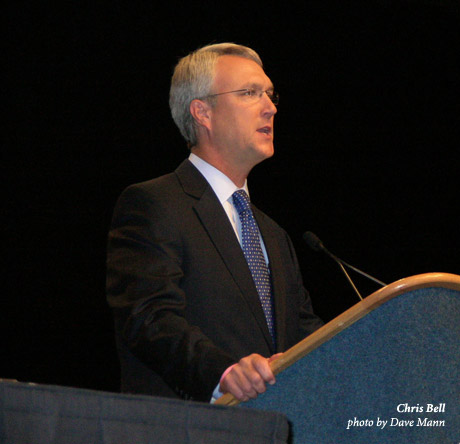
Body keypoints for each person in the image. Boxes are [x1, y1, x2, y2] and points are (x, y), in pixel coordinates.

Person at [106, 42, 323, 404]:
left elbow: (305, 336)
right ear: (202, 112)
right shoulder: (154, 204)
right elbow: (149, 319)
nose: (270, 108)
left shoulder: (274, 235)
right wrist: (224, 374)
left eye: (270, 95)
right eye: (250, 93)